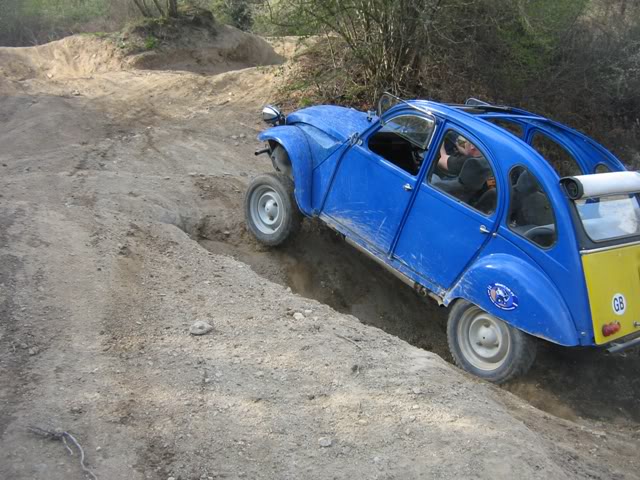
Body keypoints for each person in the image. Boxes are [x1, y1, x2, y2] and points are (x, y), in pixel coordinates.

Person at [431, 134, 493, 205]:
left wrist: (440, 142)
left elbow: (441, 160)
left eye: (466, 142)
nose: (464, 143)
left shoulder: (468, 162)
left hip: (445, 191)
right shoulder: (485, 162)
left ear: (472, 147)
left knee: (433, 177)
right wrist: (463, 149)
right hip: (466, 198)